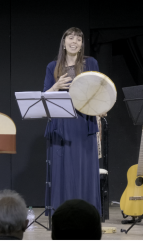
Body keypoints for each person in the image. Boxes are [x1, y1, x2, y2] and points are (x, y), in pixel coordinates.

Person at [43, 27, 102, 215]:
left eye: (78, 39)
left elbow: (100, 90)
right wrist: (56, 86)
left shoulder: (91, 63)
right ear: (64, 41)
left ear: (82, 44)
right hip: (60, 124)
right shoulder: (53, 67)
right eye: (70, 37)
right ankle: (61, 212)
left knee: (84, 169)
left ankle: (87, 212)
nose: (74, 41)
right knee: (62, 171)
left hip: (84, 123)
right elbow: (44, 96)